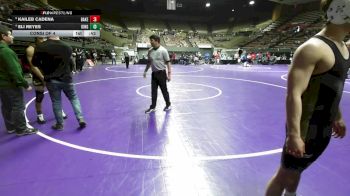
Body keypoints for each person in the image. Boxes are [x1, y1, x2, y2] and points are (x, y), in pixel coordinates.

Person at [265, 0, 350, 195]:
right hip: (305, 129)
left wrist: (337, 116)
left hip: (324, 127)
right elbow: (294, 94)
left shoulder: (343, 47)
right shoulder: (312, 49)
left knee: (296, 173)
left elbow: (329, 88)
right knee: (284, 175)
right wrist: (294, 135)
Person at [33, 36, 86, 130]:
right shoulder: (67, 46)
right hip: (66, 78)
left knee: (56, 101)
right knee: (74, 98)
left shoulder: (41, 46)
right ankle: (80, 119)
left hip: (51, 79)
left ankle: (59, 124)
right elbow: (70, 62)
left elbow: (35, 63)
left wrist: (45, 66)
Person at [0, 24, 38, 136]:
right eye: (10, 35)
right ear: (3, 36)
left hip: (2, 85)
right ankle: (21, 129)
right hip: (10, 84)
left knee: (6, 106)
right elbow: (14, 71)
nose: (13, 37)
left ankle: (10, 127)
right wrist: (25, 84)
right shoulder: (6, 52)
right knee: (18, 106)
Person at [26, 37, 67, 124]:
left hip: (50, 73)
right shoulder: (31, 49)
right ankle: (39, 115)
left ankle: (59, 111)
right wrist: (42, 78)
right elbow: (33, 66)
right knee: (39, 95)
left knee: (55, 94)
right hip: (38, 75)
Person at [143, 34, 172, 113]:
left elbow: (168, 63)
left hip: (162, 74)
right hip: (154, 74)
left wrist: (169, 75)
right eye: (150, 40)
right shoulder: (150, 51)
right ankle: (153, 107)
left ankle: (168, 104)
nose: (150, 42)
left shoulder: (163, 50)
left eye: (152, 40)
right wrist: (145, 71)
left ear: (157, 41)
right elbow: (149, 62)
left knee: (164, 91)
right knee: (153, 91)